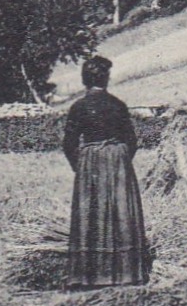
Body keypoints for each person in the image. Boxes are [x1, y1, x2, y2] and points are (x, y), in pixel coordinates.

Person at [63, 54, 151, 289]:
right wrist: (118, 161)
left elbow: (69, 143)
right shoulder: (118, 105)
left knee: (91, 214)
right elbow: (131, 140)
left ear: (84, 79)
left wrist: (82, 167)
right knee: (121, 212)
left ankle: (89, 275)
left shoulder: (79, 107)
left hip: (90, 165)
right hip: (118, 162)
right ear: (106, 79)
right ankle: (126, 272)